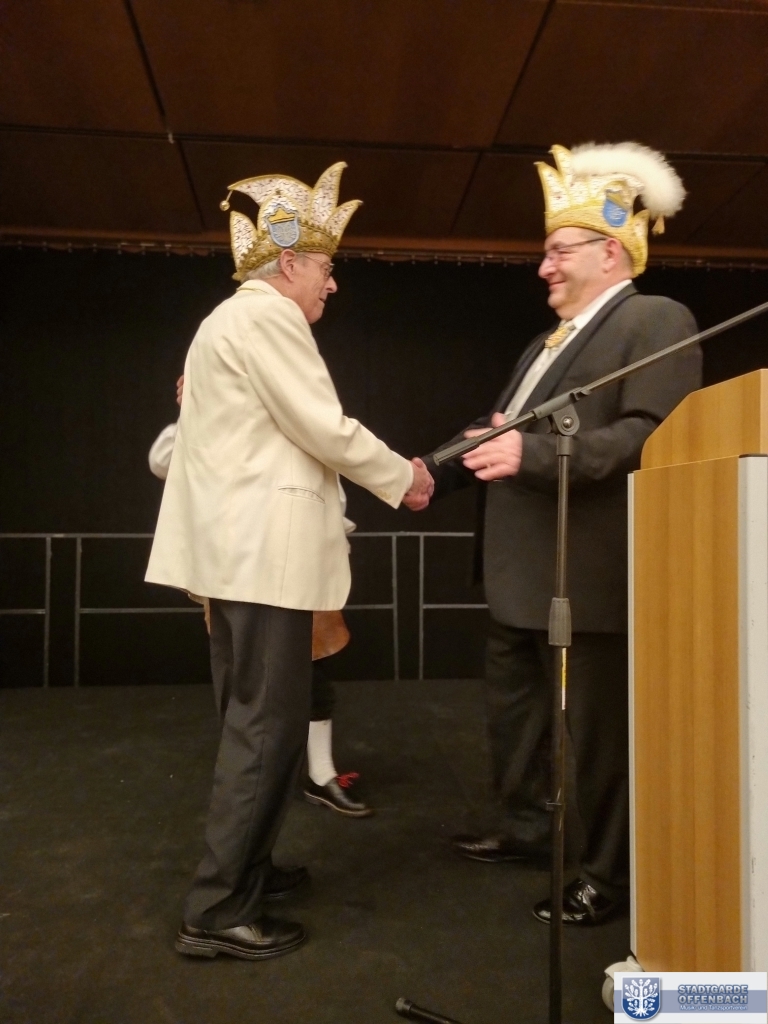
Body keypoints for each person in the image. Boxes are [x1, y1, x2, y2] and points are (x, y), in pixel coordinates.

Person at [145, 162, 433, 961]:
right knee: (266, 733)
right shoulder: (268, 317)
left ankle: (250, 871)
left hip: (236, 562)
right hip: (263, 563)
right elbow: (322, 426)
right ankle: (217, 911)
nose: (332, 285)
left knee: (255, 726)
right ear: (289, 261)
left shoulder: (225, 322)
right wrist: (403, 477)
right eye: (326, 268)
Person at [421, 143, 702, 926]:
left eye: (558, 251)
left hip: (588, 579)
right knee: (516, 719)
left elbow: (652, 436)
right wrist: (431, 473)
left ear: (610, 251)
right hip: (521, 576)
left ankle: (608, 876)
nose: (544, 267)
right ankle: (526, 829)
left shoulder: (654, 318)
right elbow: (502, 433)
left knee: (599, 739)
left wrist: (534, 454)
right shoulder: (547, 343)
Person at [149, 416, 373, 817]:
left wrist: (333, 543)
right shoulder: (220, 417)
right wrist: (196, 410)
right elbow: (164, 459)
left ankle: (320, 774)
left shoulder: (298, 416)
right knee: (245, 679)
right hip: (237, 566)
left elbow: (329, 488)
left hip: (299, 559)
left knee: (312, 672)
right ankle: (251, 782)